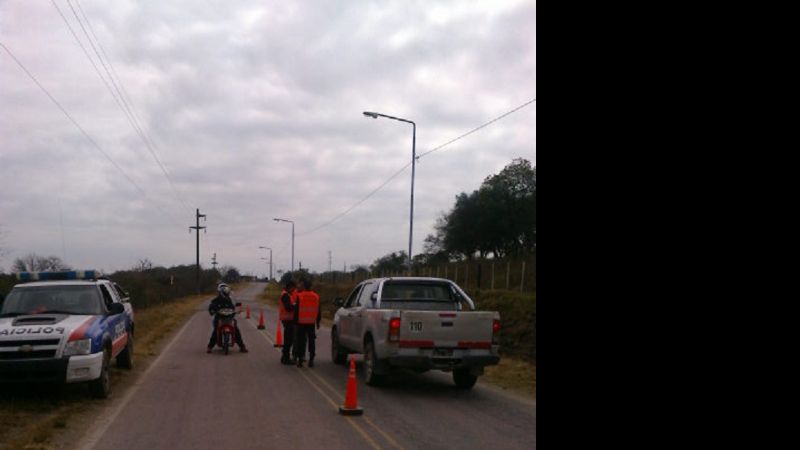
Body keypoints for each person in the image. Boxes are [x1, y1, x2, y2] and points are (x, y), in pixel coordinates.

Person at [207, 283, 248, 353]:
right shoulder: (216, 300)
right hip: (219, 318)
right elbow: (211, 306)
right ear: (221, 291)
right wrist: (212, 310)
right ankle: (210, 347)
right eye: (225, 291)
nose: (227, 292)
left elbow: (234, 306)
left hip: (229, 317)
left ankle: (242, 347)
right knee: (215, 331)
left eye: (227, 291)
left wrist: (237, 309)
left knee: (236, 330)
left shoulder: (230, 300)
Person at [293, 277, 321, 368]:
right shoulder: (316, 296)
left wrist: (295, 322)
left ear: (304, 286)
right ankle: (311, 359)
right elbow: (318, 310)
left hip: (301, 322)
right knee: (311, 341)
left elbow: (296, 311)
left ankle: (300, 359)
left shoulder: (300, 296)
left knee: (301, 341)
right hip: (311, 322)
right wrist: (318, 322)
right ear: (311, 286)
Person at [278, 273, 298, 365]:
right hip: (288, 320)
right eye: (293, 288)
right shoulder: (285, 295)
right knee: (288, 340)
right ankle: (285, 358)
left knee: (288, 339)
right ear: (290, 287)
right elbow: (288, 308)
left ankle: (284, 357)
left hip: (287, 320)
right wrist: (295, 306)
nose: (294, 290)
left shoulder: (286, 294)